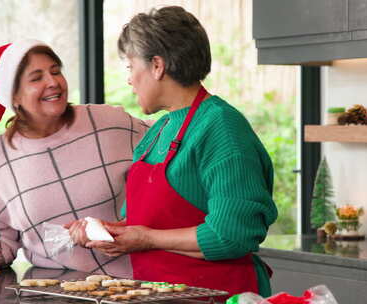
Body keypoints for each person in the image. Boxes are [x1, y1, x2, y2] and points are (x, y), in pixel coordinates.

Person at [82, 6, 278, 298]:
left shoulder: (222, 128)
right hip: (158, 293)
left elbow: (230, 234)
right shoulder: (159, 130)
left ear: (157, 66)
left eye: (130, 67)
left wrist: (146, 238)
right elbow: (142, 224)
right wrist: (109, 232)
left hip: (219, 294)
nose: (129, 80)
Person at [0, 39, 149, 277]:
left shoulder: (109, 123)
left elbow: (170, 144)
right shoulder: (0, 155)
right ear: (13, 96)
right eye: (37, 78)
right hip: (47, 290)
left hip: (129, 284)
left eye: (56, 71)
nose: (53, 82)